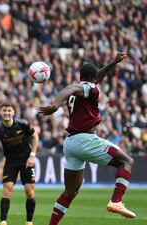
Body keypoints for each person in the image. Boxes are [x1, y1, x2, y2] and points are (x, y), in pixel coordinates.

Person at [38, 52, 136, 225]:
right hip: (85, 140)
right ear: (93, 78)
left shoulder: (85, 87)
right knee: (127, 161)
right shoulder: (89, 88)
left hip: (71, 144)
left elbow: (78, 86)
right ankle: (116, 201)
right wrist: (55, 105)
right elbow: (68, 89)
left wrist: (113, 62)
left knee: (70, 192)